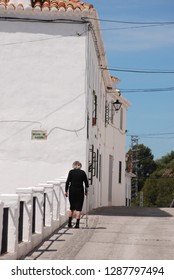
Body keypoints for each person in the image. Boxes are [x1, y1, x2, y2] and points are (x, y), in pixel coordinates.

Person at [65, 161, 89, 228]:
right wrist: (86, 191)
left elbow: (67, 182)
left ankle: (69, 223)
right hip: (80, 191)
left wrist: (66, 191)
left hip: (72, 191)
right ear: (80, 166)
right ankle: (77, 224)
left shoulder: (71, 172)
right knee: (78, 209)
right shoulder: (83, 172)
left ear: (73, 166)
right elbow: (86, 183)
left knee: (72, 207)